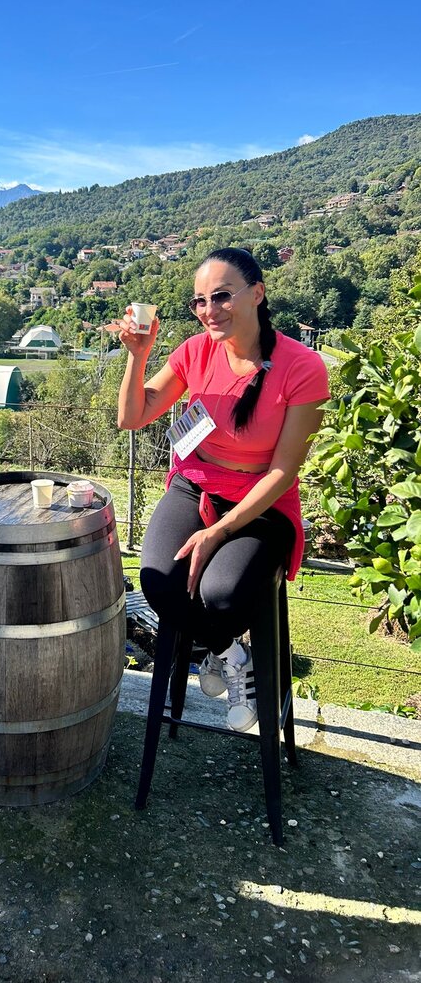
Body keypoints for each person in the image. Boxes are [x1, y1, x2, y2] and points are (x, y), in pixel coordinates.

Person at [117, 248, 329, 731]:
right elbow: (132, 416)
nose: (209, 310)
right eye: (200, 301)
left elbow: (283, 472)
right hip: (197, 484)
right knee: (157, 579)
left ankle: (222, 646)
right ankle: (231, 654)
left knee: (222, 595)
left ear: (257, 293)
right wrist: (138, 356)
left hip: (263, 503)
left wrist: (219, 532)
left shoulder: (303, 367)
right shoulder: (195, 351)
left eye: (222, 296)